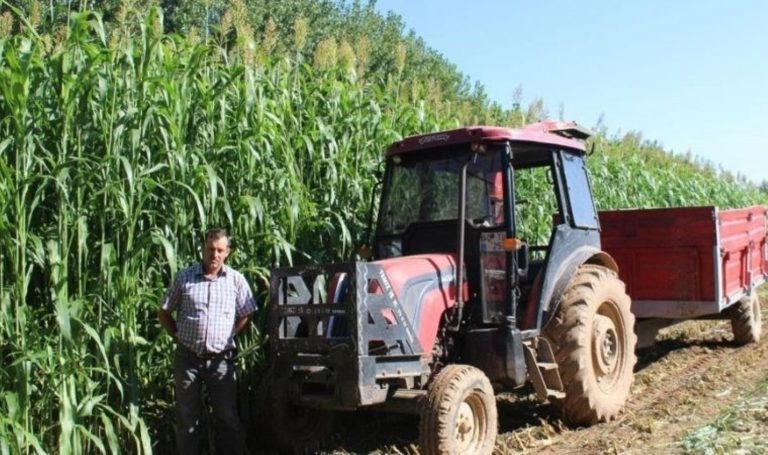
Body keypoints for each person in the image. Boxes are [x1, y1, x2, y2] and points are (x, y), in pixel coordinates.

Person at [158, 228, 257, 455]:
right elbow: (164, 311)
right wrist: (178, 336)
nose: (214, 254)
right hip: (187, 359)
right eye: (210, 249)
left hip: (220, 361)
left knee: (227, 417)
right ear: (203, 249)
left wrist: (230, 335)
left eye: (220, 250)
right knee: (187, 419)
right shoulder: (184, 278)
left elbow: (248, 311)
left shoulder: (236, 280)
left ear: (227, 253)